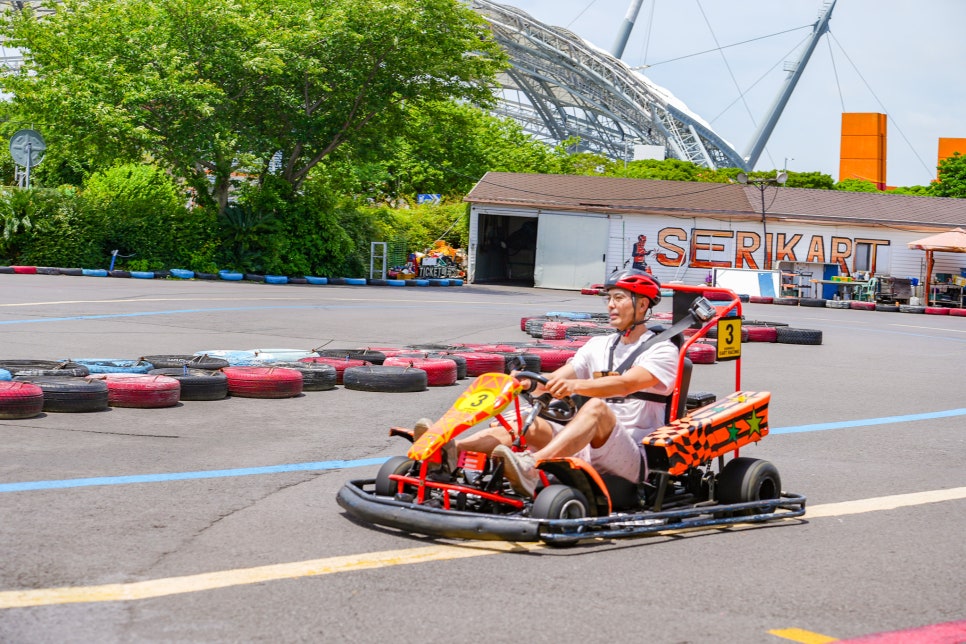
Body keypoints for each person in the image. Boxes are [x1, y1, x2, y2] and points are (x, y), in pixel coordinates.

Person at [453, 269, 679, 498]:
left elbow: (626, 384)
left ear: (642, 305)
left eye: (619, 298)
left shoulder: (662, 349)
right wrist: (525, 383)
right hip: (583, 443)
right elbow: (555, 380)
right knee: (526, 423)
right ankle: (449, 451)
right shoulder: (597, 345)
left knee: (596, 409)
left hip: (632, 456)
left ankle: (531, 467)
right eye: (608, 298)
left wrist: (575, 387)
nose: (610, 305)